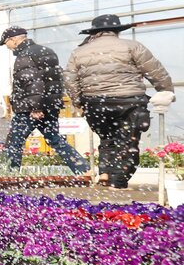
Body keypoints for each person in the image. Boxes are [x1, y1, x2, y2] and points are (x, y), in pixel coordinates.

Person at [64, 14, 174, 188]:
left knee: (107, 139)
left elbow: (70, 79)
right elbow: (155, 71)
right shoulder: (132, 46)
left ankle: (105, 173)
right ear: (116, 30)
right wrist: (166, 90)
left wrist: (78, 101)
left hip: (95, 103)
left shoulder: (79, 52)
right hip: (129, 101)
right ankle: (119, 180)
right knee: (127, 142)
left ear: (94, 32)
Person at [0, 26, 90, 175]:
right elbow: (56, 80)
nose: (6, 47)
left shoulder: (25, 55)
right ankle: (83, 169)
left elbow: (33, 82)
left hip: (30, 108)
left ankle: (9, 175)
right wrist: (50, 103)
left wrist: (36, 107)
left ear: (13, 40)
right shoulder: (47, 51)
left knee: (14, 142)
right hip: (50, 105)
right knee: (55, 140)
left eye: (6, 43)